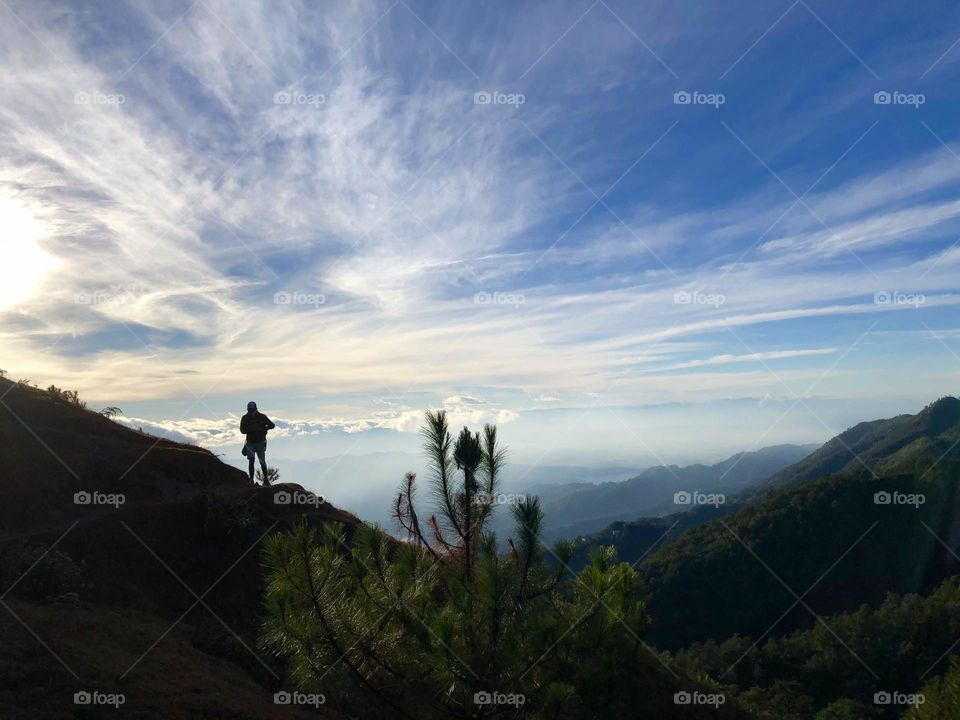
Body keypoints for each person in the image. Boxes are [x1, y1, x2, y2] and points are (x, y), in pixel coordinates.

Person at [240, 401, 275, 484]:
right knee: (254, 461)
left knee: (258, 461)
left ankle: (263, 479)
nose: (251, 411)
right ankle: (253, 480)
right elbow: (242, 430)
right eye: (250, 410)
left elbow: (272, 425)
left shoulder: (257, 417)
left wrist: (262, 428)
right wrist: (254, 428)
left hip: (257, 442)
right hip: (253, 442)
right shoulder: (248, 417)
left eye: (251, 410)